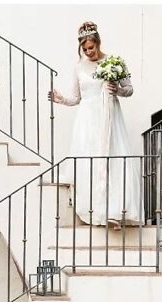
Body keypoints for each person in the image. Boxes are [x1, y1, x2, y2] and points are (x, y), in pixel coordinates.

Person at [48, 21, 142, 228]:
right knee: (90, 162)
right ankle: (96, 210)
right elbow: (76, 98)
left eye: (91, 48)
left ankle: (116, 211)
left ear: (98, 43)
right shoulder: (78, 67)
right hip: (87, 120)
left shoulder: (114, 62)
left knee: (112, 160)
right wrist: (61, 99)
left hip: (109, 115)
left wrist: (116, 89)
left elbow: (130, 89)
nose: (89, 52)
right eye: (85, 49)